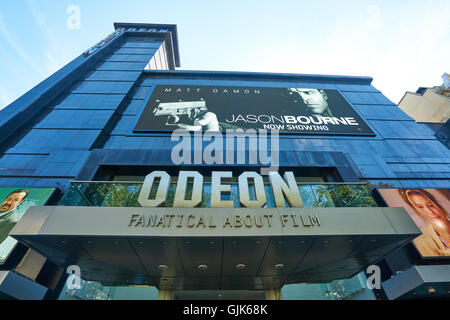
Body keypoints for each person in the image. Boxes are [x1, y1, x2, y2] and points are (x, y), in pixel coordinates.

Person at [399, 189, 450, 257]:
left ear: (437, 204)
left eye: (430, 205)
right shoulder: (421, 241)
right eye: (420, 207)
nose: (430, 212)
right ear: (416, 210)